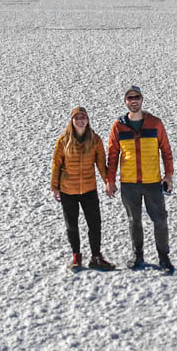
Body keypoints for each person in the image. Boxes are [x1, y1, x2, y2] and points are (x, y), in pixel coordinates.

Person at [105, 85, 175, 274]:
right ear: (125, 101)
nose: (133, 101)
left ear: (142, 99)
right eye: (130, 98)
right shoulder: (118, 126)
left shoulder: (155, 123)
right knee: (133, 220)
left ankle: (164, 258)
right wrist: (110, 181)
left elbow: (166, 151)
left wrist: (168, 176)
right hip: (129, 183)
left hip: (152, 181)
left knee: (160, 220)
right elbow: (112, 155)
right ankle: (138, 256)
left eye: (136, 97)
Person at [51, 107, 117, 271]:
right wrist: (55, 186)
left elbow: (101, 164)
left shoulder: (95, 140)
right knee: (71, 225)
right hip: (68, 190)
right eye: (76, 118)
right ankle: (76, 256)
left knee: (94, 224)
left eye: (83, 117)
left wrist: (108, 181)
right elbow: (56, 164)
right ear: (72, 121)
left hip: (89, 189)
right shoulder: (63, 140)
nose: (80, 120)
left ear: (87, 120)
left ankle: (96, 256)